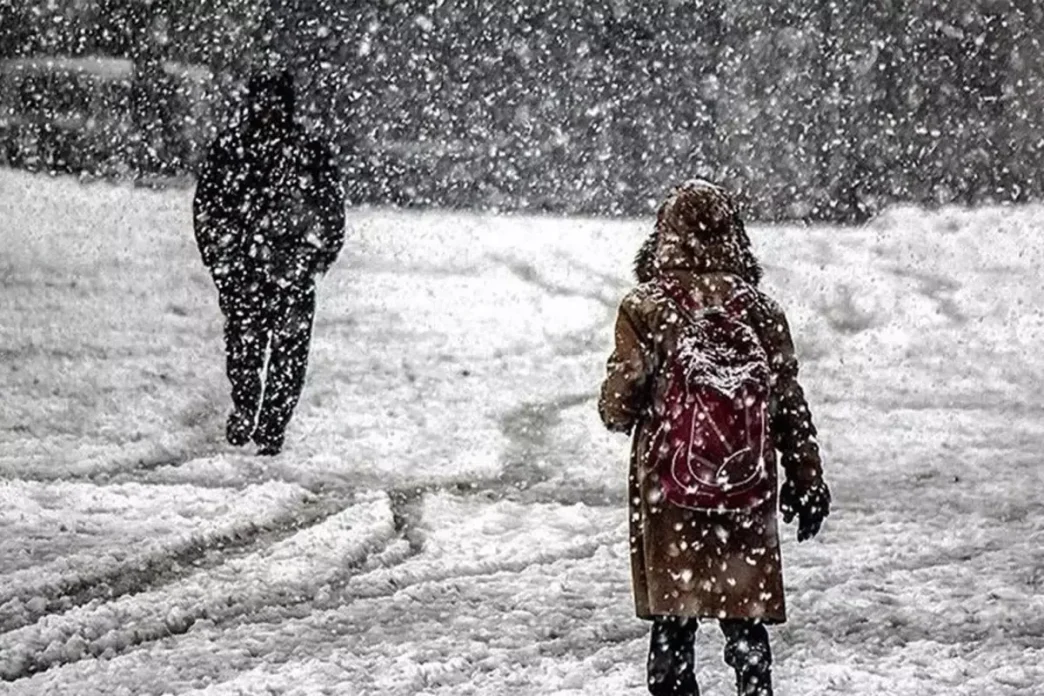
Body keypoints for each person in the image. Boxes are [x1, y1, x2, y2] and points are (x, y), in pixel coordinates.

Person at [598, 180, 831, 696]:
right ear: (735, 237)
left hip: (670, 486)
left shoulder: (645, 308)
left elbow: (621, 401)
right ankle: (753, 686)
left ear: (664, 237)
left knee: (674, 621)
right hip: (744, 485)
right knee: (743, 615)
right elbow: (787, 402)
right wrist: (807, 476)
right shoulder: (762, 312)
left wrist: (617, 406)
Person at [193, 69, 345, 456]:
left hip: (273, 268)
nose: (270, 110)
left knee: (268, 351)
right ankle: (256, 415)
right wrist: (222, 259)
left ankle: (263, 419)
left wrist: (314, 257)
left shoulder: (249, 150)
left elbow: (330, 213)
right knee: (263, 351)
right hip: (263, 269)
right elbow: (208, 209)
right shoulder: (253, 151)